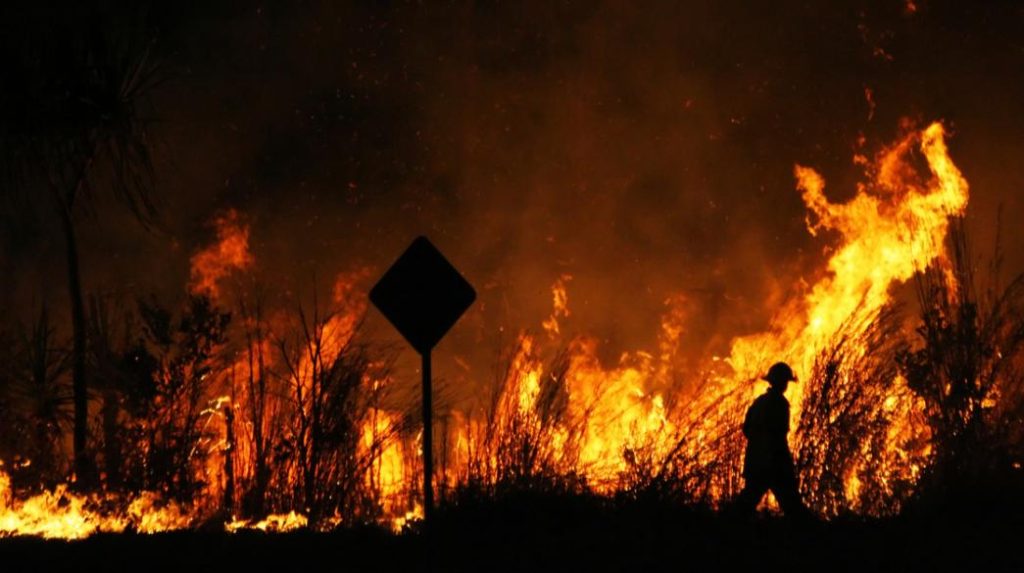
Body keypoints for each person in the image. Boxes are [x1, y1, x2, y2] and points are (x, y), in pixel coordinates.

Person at [733, 361, 811, 518]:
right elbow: (779, 436)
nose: (786, 385)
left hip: (756, 461)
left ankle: (724, 526)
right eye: (785, 382)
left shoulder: (759, 402)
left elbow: (747, 429)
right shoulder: (780, 404)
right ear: (782, 383)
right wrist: (784, 463)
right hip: (774, 463)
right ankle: (810, 536)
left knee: (746, 502)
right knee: (793, 505)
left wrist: (758, 446)